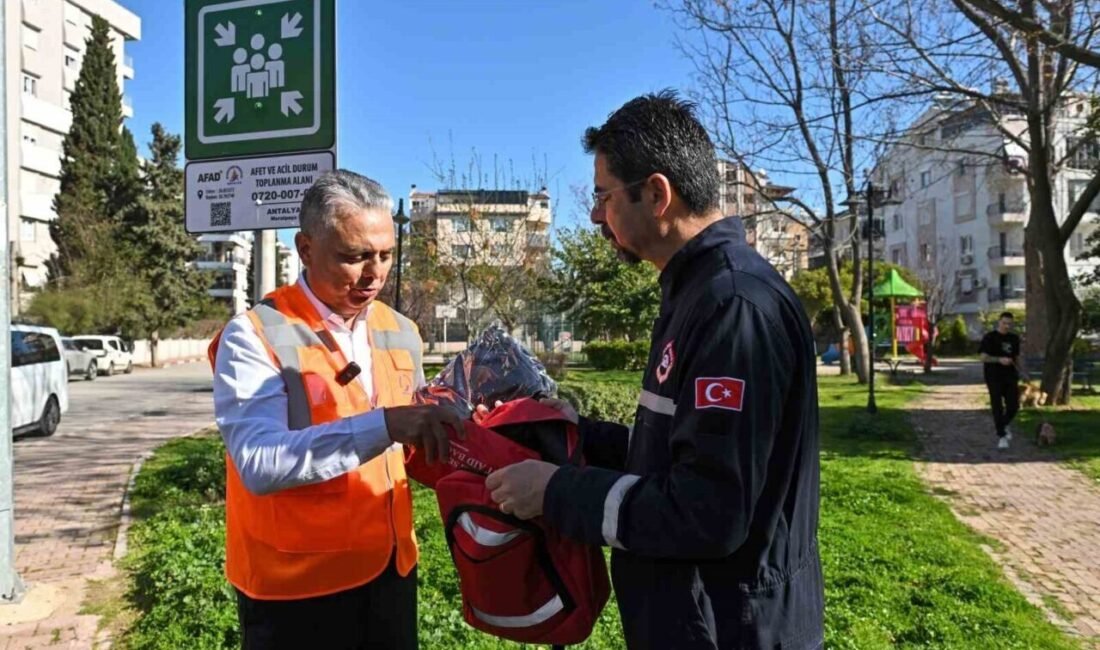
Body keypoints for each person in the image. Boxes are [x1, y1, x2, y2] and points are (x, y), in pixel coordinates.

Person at [485, 91, 824, 649]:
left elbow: (708, 511)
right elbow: (681, 456)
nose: (595, 214)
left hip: (730, 630)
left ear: (657, 193)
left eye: (603, 196)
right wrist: (574, 431)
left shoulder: (734, 305)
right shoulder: (695, 292)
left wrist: (559, 493)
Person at [210, 170, 462, 649]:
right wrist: (385, 424)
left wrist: (479, 435)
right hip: (296, 590)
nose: (375, 273)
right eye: (355, 257)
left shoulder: (401, 329)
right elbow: (260, 463)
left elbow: (409, 447)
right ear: (305, 249)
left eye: (387, 254)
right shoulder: (255, 334)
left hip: (390, 573)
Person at [979, 311, 1025, 449]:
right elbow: (983, 357)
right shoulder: (990, 337)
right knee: (997, 406)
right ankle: (1002, 436)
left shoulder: (1014, 338)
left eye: (1009, 324)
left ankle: (1004, 424)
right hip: (993, 376)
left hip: (1010, 376)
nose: (1006, 326)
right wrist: (999, 359)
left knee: (1014, 405)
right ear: (999, 322)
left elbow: (1017, 357)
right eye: (1004, 323)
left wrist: (1023, 371)